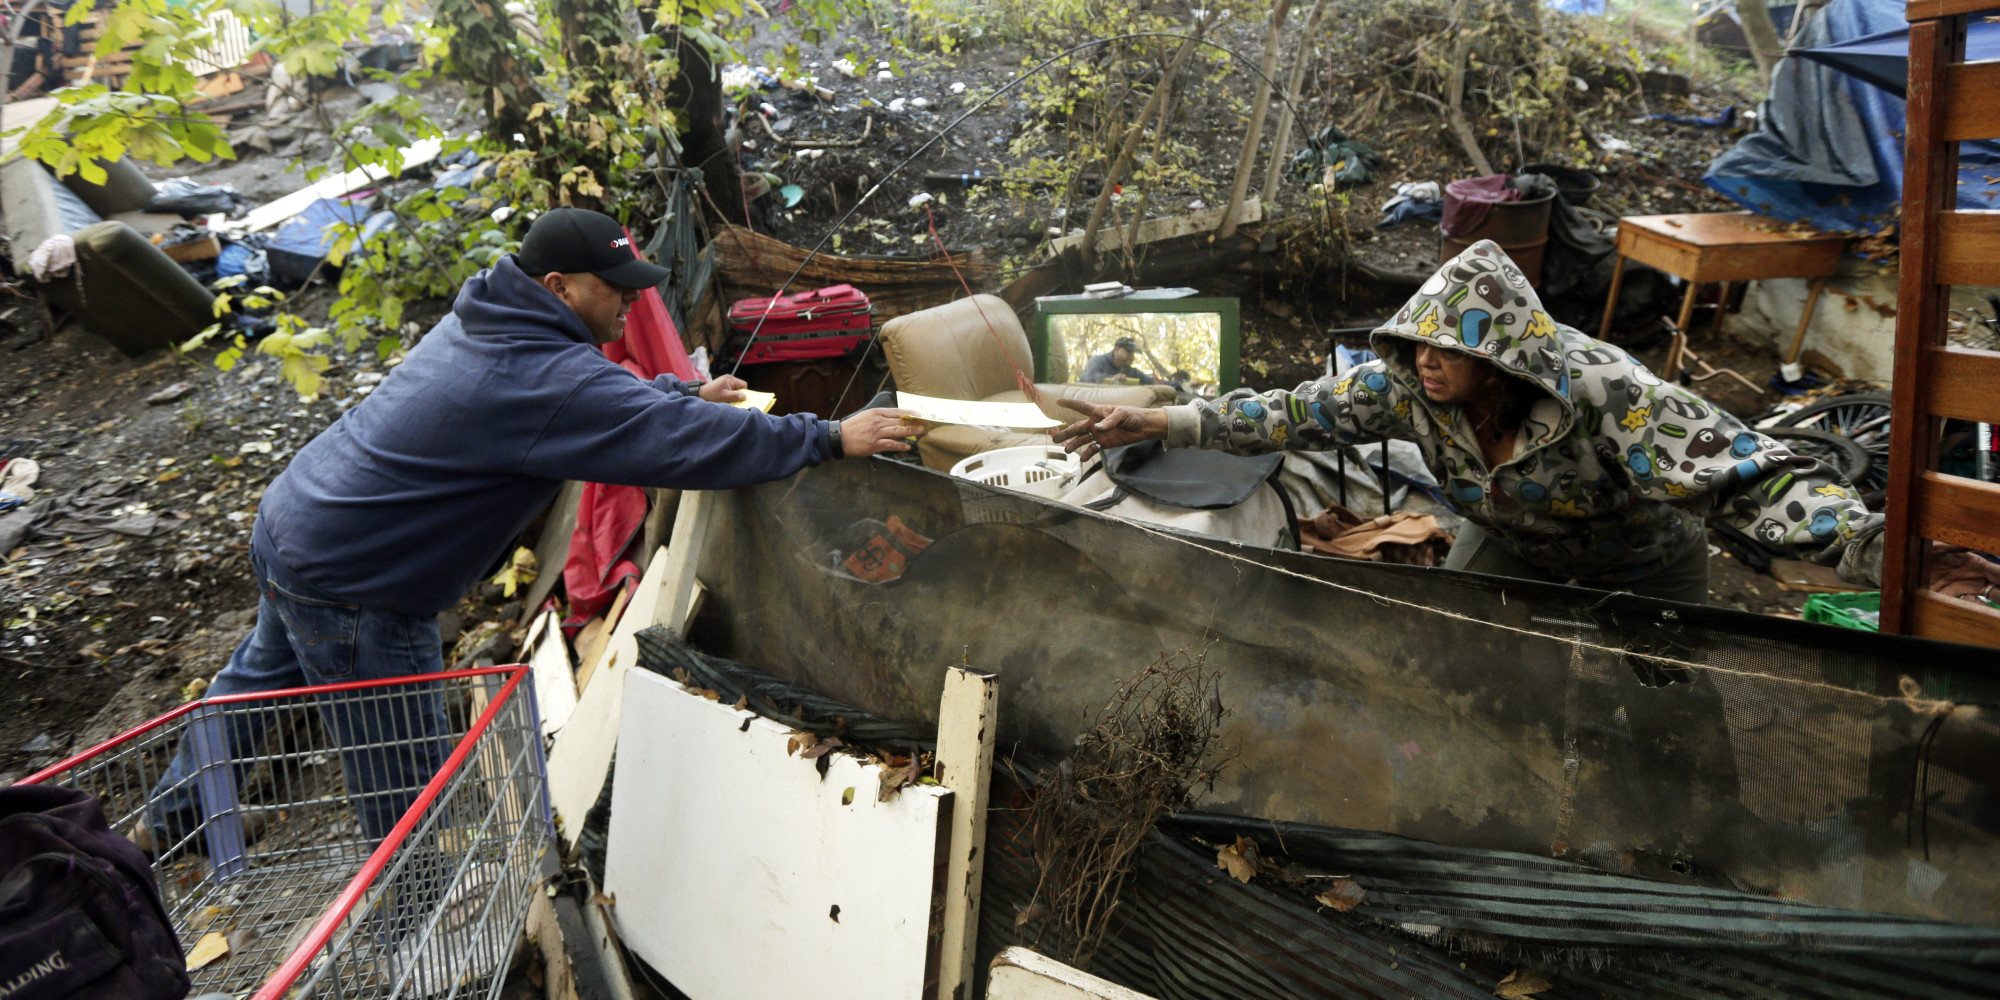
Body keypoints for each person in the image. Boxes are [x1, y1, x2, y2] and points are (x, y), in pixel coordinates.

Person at [138, 208, 926, 856]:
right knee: (404, 781)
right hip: (361, 585)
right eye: (615, 288)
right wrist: (825, 437)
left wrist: (676, 391)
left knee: (249, 691)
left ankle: (170, 821)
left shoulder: (494, 317)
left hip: (298, 520)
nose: (629, 301)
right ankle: (420, 942)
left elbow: (582, 400)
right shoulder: (542, 374)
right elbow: (668, 441)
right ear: (559, 285)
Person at [1053, 240, 1883, 603]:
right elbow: (1293, 412)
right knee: (1466, 651)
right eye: (1413, 348)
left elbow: (1746, 470)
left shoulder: (1609, 392)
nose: (1424, 364)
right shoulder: (1410, 388)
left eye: (1443, 350)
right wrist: (1161, 422)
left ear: (1509, 358)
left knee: (1666, 708)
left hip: (1639, 563)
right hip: (1513, 543)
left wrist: (1858, 539)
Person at [1078, 336, 1158, 385]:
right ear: (1116, 349)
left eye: (1133, 354)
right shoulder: (1097, 361)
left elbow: (1151, 381)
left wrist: (1166, 383)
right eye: (1129, 352)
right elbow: (1086, 379)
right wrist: (1112, 379)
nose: (1132, 357)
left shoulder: (1130, 371)